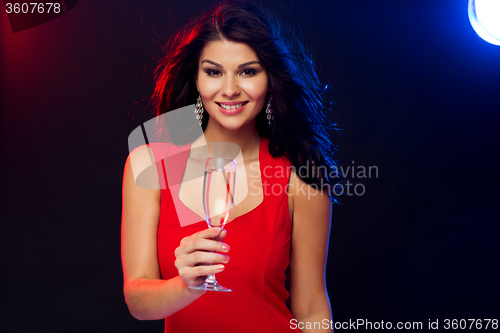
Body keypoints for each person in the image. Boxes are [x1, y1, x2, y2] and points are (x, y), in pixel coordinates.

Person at [121, 1, 340, 332]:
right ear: (196, 78)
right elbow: (138, 300)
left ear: (270, 78)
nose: (230, 89)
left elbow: (311, 309)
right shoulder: (150, 162)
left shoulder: (299, 175)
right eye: (214, 72)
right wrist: (186, 285)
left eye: (248, 71)